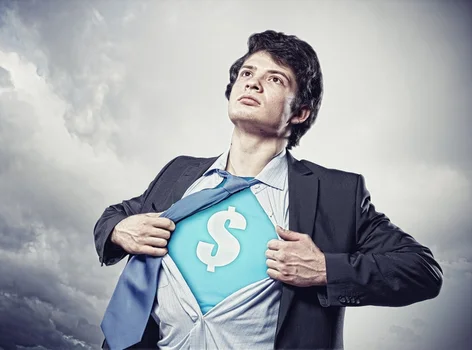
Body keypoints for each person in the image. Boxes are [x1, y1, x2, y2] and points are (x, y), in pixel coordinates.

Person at [93, 30, 443, 350]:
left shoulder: (338, 194)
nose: (253, 83)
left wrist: (324, 269)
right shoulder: (179, 171)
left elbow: (421, 270)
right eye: (247, 73)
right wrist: (120, 230)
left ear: (300, 112)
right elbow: (114, 217)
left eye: (274, 79)